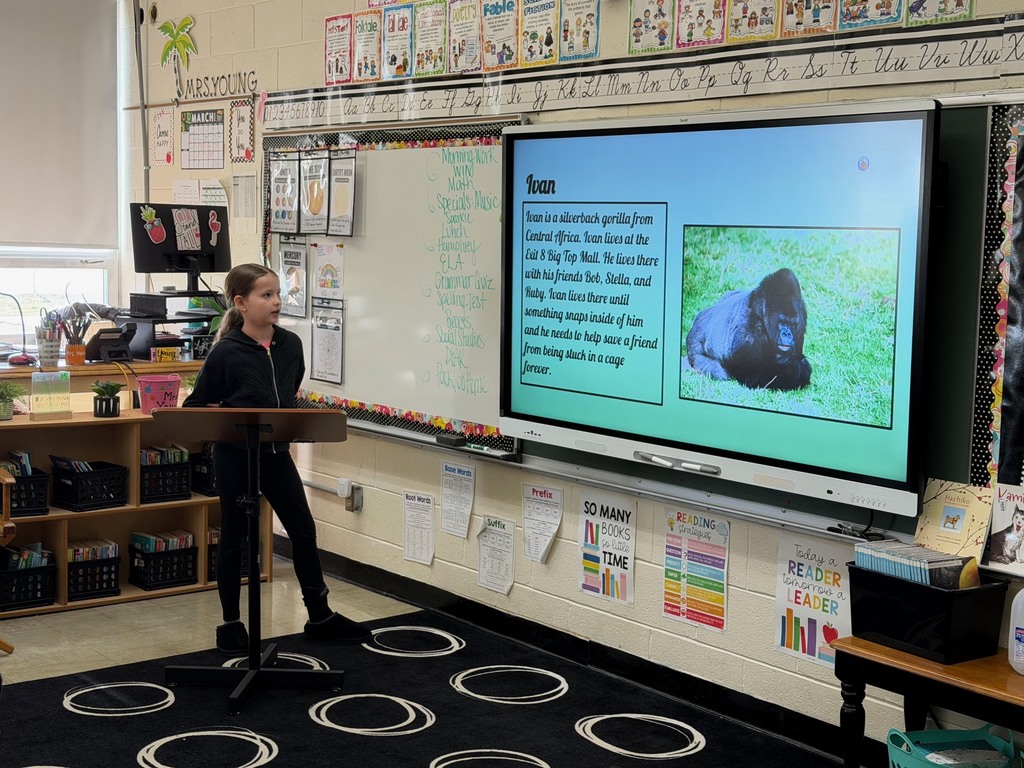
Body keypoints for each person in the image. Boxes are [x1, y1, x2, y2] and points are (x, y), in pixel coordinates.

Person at [183, 262, 369, 653]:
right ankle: (230, 624)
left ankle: (319, 615)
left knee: (303, 529)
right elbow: (195, 407)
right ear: (241, 303)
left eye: (278, 294)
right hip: (236, 456)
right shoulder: (226, 353)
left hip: (276, 455)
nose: (276, 302)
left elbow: (288, 396)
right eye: (266, 295)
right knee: (234, 537)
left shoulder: (290, 346)